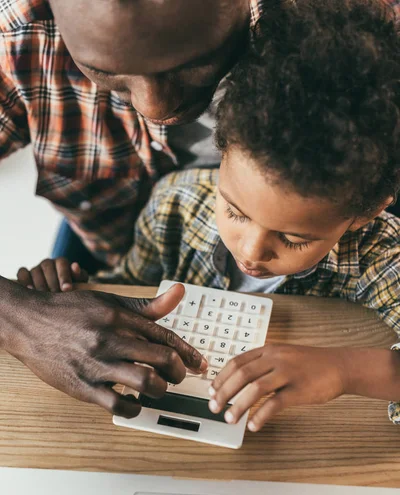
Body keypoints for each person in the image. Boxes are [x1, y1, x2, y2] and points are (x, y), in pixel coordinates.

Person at [20, 0, 400, 430]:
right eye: (235, 212)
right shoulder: (175, 205)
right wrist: (65, 293)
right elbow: (128, 293)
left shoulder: (378, 255)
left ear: (366, 214)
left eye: (294, 239)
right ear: (220, 157)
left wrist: (348, 371)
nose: (252, 251)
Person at [0, 0, 269, 416]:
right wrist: (19, 317)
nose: (154, 108)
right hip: (117, 258)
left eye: (193, 62)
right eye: (104, 71)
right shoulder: (16, 33)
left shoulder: (353, 35)